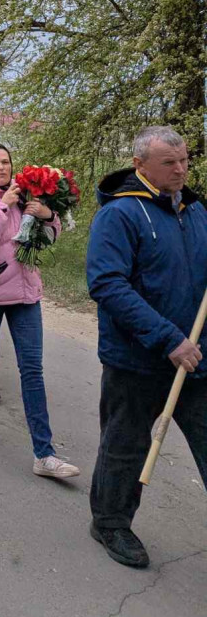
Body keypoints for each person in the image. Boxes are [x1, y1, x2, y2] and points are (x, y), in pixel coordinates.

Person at [87, 125, 207, 569]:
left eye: (185, 161)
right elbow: (107, 285)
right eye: (169, 163)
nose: (180, 170)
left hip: (197, 357)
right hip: (137, 360)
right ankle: (110, 522)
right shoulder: (119, 215)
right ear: (140, 165)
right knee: (125, 446)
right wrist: (167, 338)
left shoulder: (195, 212)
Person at [0, 144, 80, 481]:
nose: (2, 168)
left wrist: (47, 217)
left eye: (6, 163)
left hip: (26, 293)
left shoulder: (28, 191)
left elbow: (47, 238)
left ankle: (44, 454)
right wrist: (3, 205)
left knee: (32, 370)